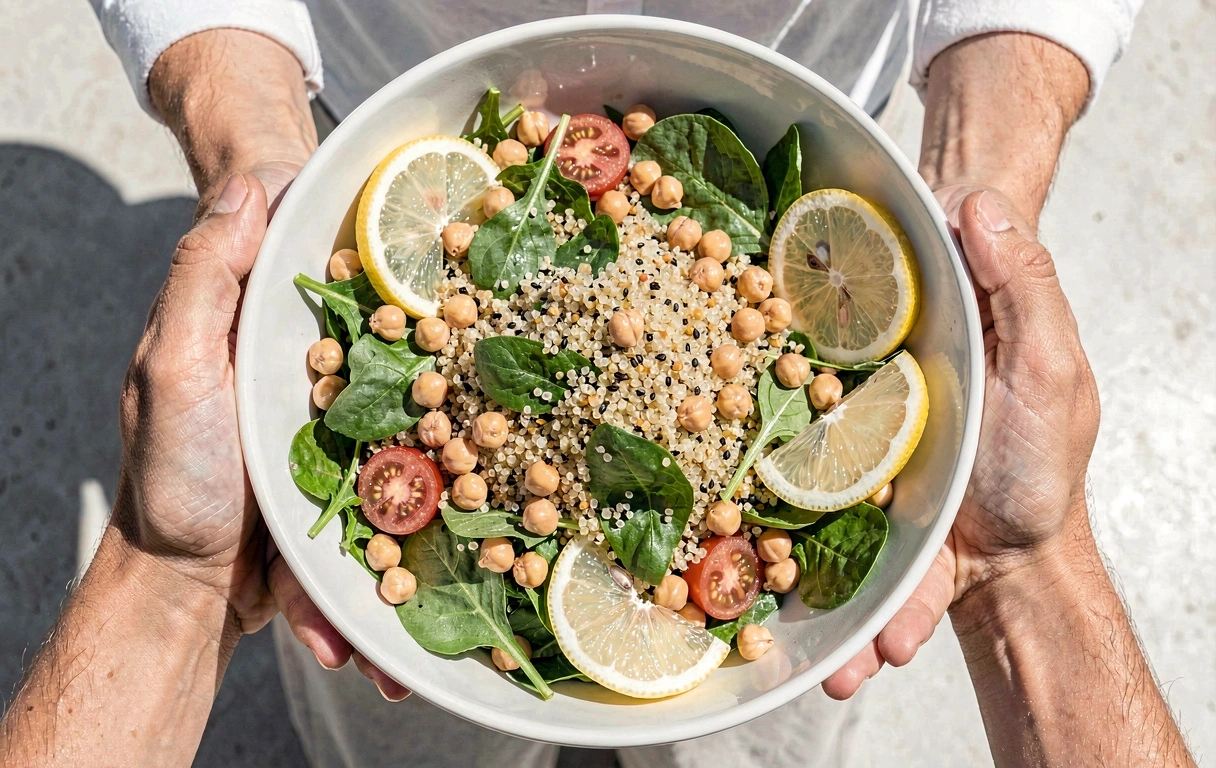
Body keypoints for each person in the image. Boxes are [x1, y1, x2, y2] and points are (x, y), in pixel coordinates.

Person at [25, 1, 1163, 765]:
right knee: (407, 742)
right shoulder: (457, 320)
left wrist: (984, 168)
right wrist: (251, 135)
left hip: (809, 114)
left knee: (752, 726)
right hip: (406, 131)